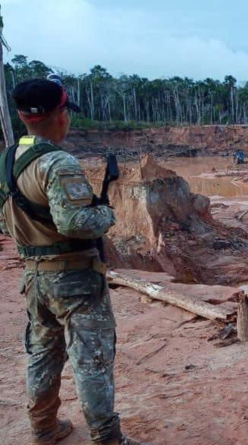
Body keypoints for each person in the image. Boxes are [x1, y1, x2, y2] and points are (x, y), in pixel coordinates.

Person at [0, 77, 144, 445]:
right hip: (74, 279)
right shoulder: (57, 162)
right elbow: (74, 222)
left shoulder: (7, 160)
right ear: (61, 114)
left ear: (23, 116)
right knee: (92, 359)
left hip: (35, 276)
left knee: (43, 353)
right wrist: (106, 214)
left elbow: (4, 221)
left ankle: (44, 427)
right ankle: (107, 437)